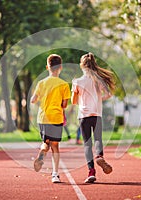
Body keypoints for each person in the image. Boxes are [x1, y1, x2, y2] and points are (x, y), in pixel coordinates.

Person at [71, 52, 115, 183]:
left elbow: (73, 101)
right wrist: (97, 99)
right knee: (98, 139)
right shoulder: (97, 80)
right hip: (97, 114)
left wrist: (82, 99)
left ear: (81, 65)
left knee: (86, 144)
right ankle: (99, 156)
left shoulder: (77, 81)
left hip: (83, 115)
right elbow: (108, 94)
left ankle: (91, 172)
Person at [31, 54, 71, 183]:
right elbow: (64, 105)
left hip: (43, 117)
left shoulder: (41, 83)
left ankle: (42, 151)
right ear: (60, 68)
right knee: (55, 146)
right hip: (56, 117)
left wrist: (41, 100)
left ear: (47, 67)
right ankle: (55, 174)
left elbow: (33, 100)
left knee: (46, 142)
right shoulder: (64, 84)